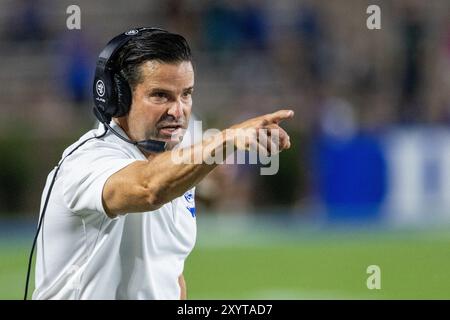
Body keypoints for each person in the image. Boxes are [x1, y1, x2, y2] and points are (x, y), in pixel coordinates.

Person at [32, 28, 294, 300]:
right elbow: (148, 188)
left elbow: (169, 273)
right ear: (117, 97)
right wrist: (225, 139)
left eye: (186, 94)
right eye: (160, 96)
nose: (178, 111)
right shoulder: (87, 161)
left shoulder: (173, 164)